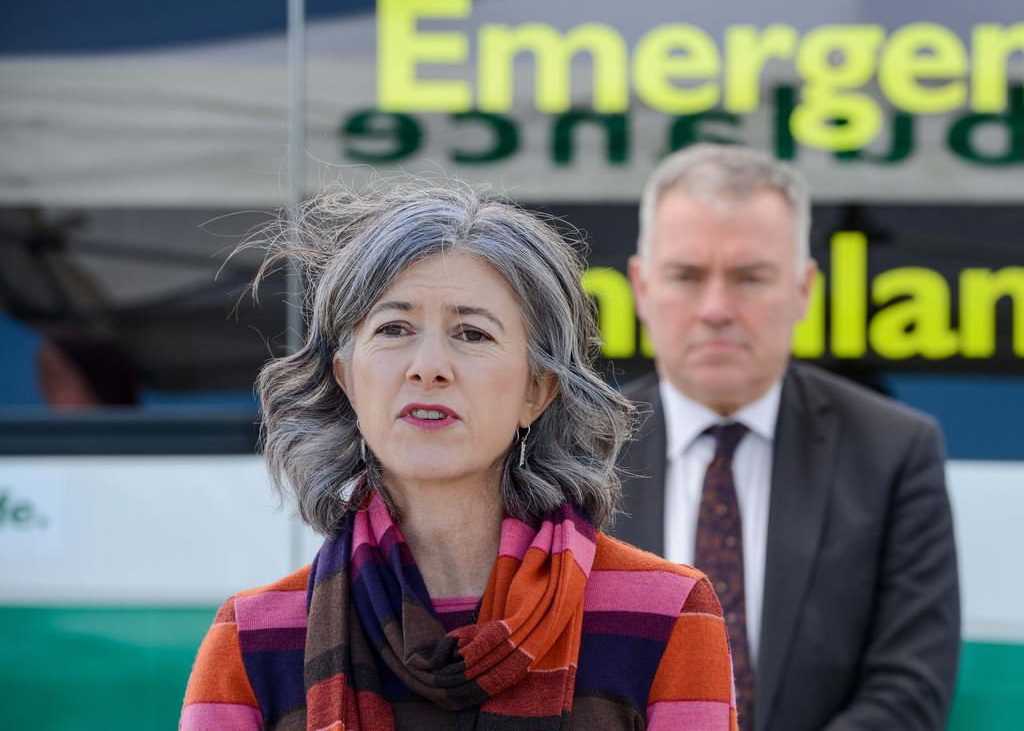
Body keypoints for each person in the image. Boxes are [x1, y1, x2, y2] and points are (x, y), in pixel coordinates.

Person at [181, 182, 739, 730]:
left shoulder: (665, 615)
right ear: (346, 378)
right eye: (394, 328)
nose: (429, 367)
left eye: (471, 333)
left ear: (536, 391)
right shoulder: (252, 640)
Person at [615, 145, 960, 731]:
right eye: (687, 276)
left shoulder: (894, 451)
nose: (717, 308)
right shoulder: (572, 449)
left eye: (751, 277)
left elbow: (910, 687)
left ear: (804, 289)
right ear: (642, 288)